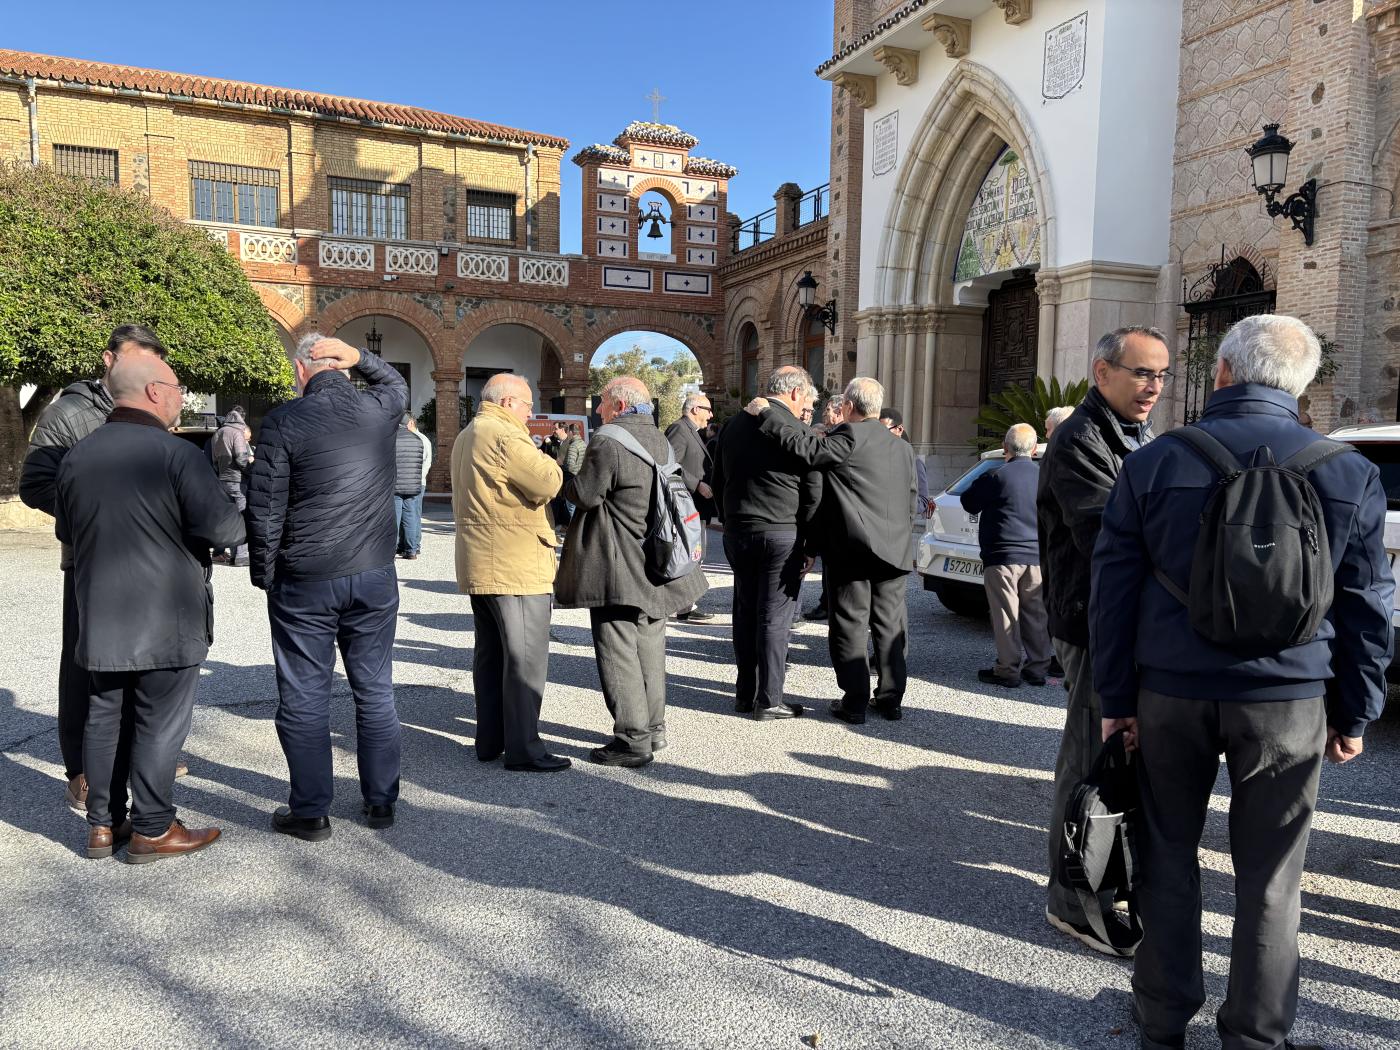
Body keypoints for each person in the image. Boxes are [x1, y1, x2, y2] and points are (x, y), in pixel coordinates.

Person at [1091, 315, 1393, 1050]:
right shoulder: (1347, 470)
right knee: (1272, 876)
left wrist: (1115, 701)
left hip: (1172, 692)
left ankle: (1161, 1022)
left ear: (1222, 372)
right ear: (1302, 385)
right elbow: (1367, 608)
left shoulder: (1157, 461)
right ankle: (1255, 1036)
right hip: (1288, 699)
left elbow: (1114, 589)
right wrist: (1356, 711)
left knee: (1166, 853)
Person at [55, 354, 244, 862]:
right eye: (180, 388)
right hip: (167, 614)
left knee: (104, 716)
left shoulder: (77, 456)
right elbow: (226, 529)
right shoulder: (175, 454)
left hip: (100, 613)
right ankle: (154, 827)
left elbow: (66, 532)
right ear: (156, 391)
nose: (184, 396)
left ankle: (103, 824)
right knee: (159, 721)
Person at [1038, 324, 1168, 955]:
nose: (1154, 387)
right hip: (1093, 624)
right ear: (1102, 372)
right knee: (1090, 758)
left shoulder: (1134, 435)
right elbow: (1108, 541)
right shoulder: (1080, 440)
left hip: (1122, 622)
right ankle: (1071, 901)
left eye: (1161, 375)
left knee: (1115, 761)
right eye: (1142, 373)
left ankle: (1105, 877)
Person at [247, 335, 409, 841]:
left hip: (307, 577)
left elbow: (265, 508)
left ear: (301, 370)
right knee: (375, 689)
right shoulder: (377, 409)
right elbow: (397, 385)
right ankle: (381, 800)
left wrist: (265, 573)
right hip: (374, 573)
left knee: (304, 695)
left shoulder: (282, 421)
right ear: (339, 368)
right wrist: (362, 358)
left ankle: (311, 810)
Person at [19, 323, 174, 816]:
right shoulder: (68, 412)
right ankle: (81, 772)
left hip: (152, 561)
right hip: (90, 560)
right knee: (85, 668)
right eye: (135, 360)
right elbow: (36, 486)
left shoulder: (151, 404)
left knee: (146, 663)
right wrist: (93, 518)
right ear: (109, 360)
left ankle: (136, 757)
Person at [556, 377, 708, 766]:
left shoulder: (608, 440)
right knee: (650, 647)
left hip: (617, 562)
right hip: (656, 558)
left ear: (619, 406)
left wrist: (563, 479)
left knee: (617, 649)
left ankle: (631, 740)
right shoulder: (659, 438)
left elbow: (587, 495)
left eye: (603, 403)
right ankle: (654, 730)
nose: (598, 410)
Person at [750, 377, 917, 723]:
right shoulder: (903, 447)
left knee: (850, 624)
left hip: (853, 550)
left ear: (849, 407)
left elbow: (807, 450)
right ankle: (890, 699)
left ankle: (854, 701)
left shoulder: (850, 436)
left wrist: (768, 416)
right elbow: (912, 497)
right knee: (889, 625)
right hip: (895, 550)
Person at [451, 373, 570, 772]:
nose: (530, 412)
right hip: (515, 563)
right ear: (507, 403)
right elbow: (548, 482)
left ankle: (491, 739)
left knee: (491, 654)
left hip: (483, 560)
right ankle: (524, 748)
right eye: (526, 403)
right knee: (524, 659)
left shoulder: (470, 431)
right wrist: (553, 456)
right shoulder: (505, 434)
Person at [711, 366, 821, 720]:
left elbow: (718, 478)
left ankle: (745, 694)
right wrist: (809, 543)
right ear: (794, 393)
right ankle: (769, 699)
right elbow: (812, 489)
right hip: (780, 532)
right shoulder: (794, 429)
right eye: (806, 397)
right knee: (774, 617)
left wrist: (728, 520)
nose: (807, 404)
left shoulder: (731, 426)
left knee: (744, 611)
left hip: (738, 530)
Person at [960, 423, 1052, 689]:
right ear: (1034, 449)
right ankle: (1037, 668)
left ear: (1005, 447)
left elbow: (969, 502)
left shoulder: (997, 475)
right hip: (1035, 555)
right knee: (1036, 613)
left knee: (1006, 614)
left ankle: (1008, 669)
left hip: (1002, 555)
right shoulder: (1045, 476)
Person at [666, 392, 716, 622]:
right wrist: (696, 484)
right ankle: (684, 606)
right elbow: (669, 464)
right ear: (695, 409)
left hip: (695, 507)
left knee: (694, 555)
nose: (711, 414)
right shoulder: (679, 429)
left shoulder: (692, 431)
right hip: (686, 505)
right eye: (708, 409)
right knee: (689, 554)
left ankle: (686, 605)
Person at [211, 406, 254, 567]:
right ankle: (241, 556)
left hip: (222, 481)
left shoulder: (218, 433)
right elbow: (242, 458)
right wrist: (251, 471)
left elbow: (214, 460)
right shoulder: (237, 433)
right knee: (242, 517)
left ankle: (221, 551)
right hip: (238, 481)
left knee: (227, 518)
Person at [394, 413, 426, 560]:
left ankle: (391, 550)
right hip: (413, 485)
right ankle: (411, 550)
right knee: (411, 517)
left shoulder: (391, 439)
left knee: (394, 517)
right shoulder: (417, 440)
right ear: (408, 424)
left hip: (395, 485)